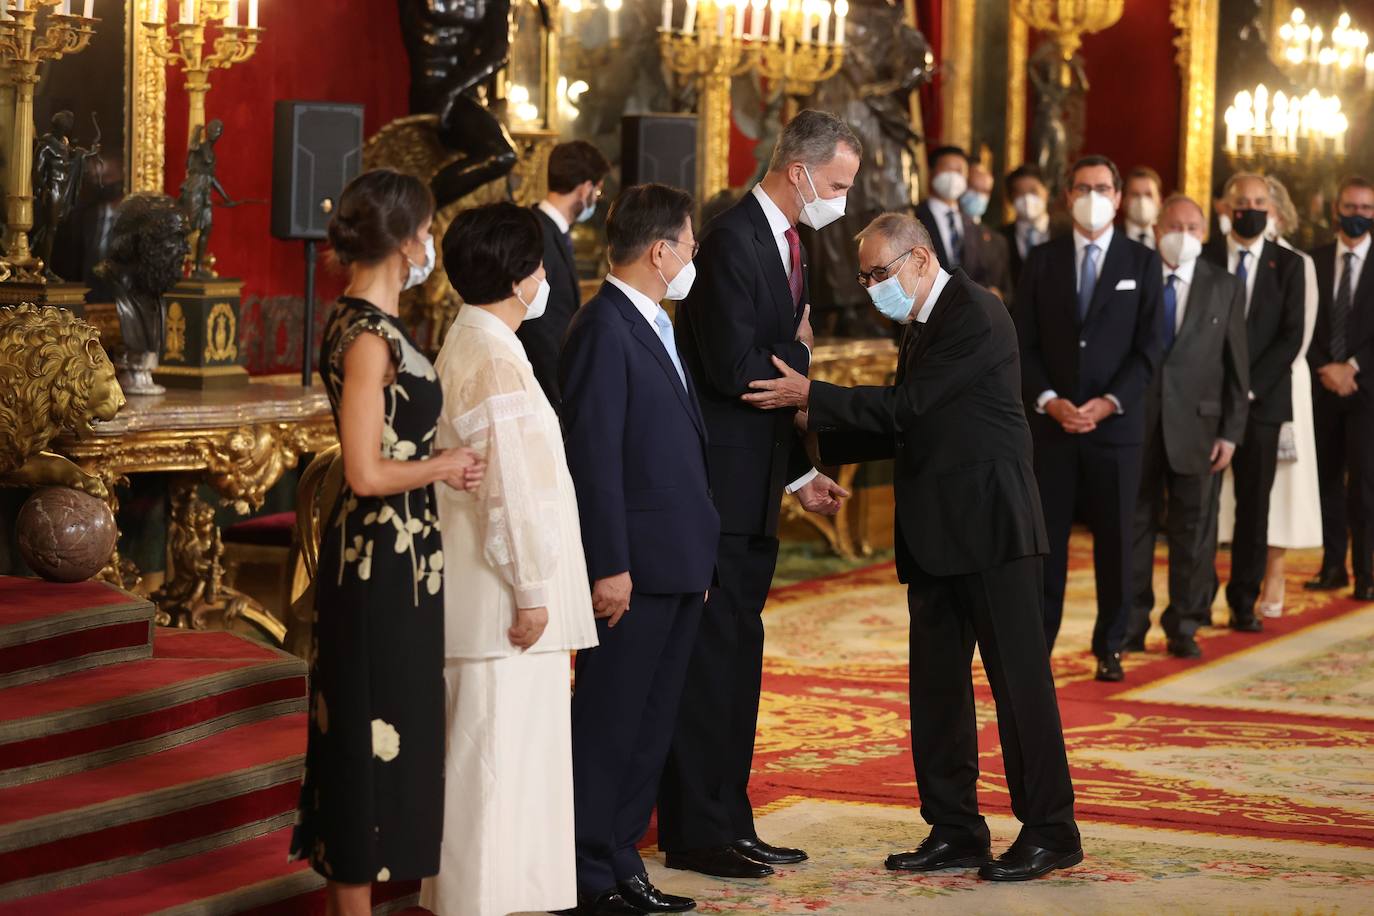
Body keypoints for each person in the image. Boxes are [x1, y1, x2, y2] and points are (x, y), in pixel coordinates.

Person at [743, 212, 1082, 882]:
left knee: (1019, 687)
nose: (871, 287)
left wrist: (815, 397)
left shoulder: (974, 313)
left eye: (878, 273)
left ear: (919, 259)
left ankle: (1052, 829)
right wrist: (818, 428)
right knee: (937, 691)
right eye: (865, 275)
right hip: (936, 533)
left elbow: (911, 407)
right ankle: (955, 829)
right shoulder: (924, 320)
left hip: (992, 530)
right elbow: (914, 424)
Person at [660, 110, 854, 881]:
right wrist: (799, 353)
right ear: (799, 171)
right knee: (713, 665)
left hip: (755, 485)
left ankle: (730, 818)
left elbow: (771, 380)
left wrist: (798, 472)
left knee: (740, 660)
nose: (842, 198)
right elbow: (739, 369)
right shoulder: (733, 236)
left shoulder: (789, 241)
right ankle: (697, 829)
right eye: (837, 183)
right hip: (718, 494)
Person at [290, 169, 485, 916]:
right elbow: (366, 472)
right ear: (407, 241)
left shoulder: (370, 324)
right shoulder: (367, 337)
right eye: (427, 231)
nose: (431, 245)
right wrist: (444, 465)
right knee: (368, 729)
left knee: (393, 720)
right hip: (377, 558)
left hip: (404, 554)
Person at [420, 202, 598, 916]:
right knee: (494, 775)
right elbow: (510, 489)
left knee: (494, 773)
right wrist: (529, 588)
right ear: (525, 277)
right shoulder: (492, 355)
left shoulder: (478, 340)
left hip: (486, 595)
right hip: (502, 603)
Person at [560, 183, 721, 914]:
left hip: (677, 561)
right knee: (609, 725)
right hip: (634, 570)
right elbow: (595, 456)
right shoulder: (603, 327)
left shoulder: (655, 323)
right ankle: (588, 873)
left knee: (650, 726)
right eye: (689, 245)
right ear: (661, 252)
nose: (693, 257)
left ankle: (622, 860)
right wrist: (610, 565)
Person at [1013, 154, 1164, 682]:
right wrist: (1050, 399)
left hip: (1115, 428)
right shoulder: (1042, 259)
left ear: (1119, 197)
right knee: (1044, 542)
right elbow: (1023, 343)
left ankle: (1111, 644)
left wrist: (1109, 403)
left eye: (1102, 187)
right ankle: (1039, 645)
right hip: (1052, 426)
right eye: (1082, 187)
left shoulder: (1144, 263)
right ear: (1066, 196)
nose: (1092, 196)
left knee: (1116, 541)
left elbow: (1150, 347)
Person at [1124, 195, 1248, 659]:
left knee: (1193, 529)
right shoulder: (1135, 278)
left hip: (1201, 427)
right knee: (1133, 524)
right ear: (1157, 230)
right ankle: (1131, 622)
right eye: (1174, 226)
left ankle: (1185, 623)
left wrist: (1231, 432)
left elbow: (1238, 366)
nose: (1184, 235)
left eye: (1193, 227)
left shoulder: (1225, 285)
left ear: (1204, 233)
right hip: (1138, 423)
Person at [1201, 173, 1306, 631]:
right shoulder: (1203, 257)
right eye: (1241, 200)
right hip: (1204, 403)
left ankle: (1243, 600)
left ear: (1271, 207)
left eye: (1259, 201)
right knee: (1199, 507)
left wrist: (1245, 388)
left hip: (1262, 404)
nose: (1250, 208)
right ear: (1226, 207)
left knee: (1253, 507)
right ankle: (1194, 600)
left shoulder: (1289, 265)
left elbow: (1291, 338)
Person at [1305, 175, 1374, 601]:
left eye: (1366, 209)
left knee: (1364, 485)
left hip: (1367, 391)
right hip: (1319, 387)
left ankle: (1367, 572)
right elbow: (1302, 323)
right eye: (1350, 208)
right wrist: (1326, 368)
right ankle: (1333, 567)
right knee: (1325, 481)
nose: (1357, 216)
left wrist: (1352, 367)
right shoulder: (1311, 261)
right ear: (1336, 210)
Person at [518, 140, 611, 410]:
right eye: (598, 189)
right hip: (542, 390)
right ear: (585, 188)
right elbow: (539, 326)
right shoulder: (536, 232)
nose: (596, 197)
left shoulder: (550, 230)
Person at [917, 145, 993, 290]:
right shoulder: (914, 217)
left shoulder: (973, 226)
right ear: (931, 172)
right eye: (947, 169)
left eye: (959, 171)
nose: (953, 177)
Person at [960, 162, 1013, 301]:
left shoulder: (998, 241)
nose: (978, 195)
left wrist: (997, 295)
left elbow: (1008, 292)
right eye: (973, 187)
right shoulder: (949, 230)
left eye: (985, 191)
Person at [1002, 163, 1052, 291]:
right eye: (1019, 193)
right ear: (1010, 199)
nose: (1027, 198)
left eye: (1033, 191)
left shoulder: (1066, 233)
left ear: (1046, 192)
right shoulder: (999, 237)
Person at [1122, 166, 1163, 249]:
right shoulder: (1109, 237)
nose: (1142, 201)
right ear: (1124, 200)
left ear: (1160, 200)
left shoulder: (1168, 238)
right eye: (1135, 194)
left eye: (1149, 195)